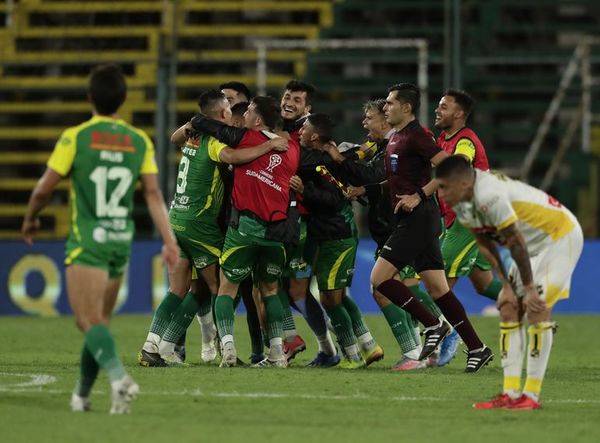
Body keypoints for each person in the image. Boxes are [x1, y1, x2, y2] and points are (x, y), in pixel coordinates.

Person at [21, 64, 180, 414]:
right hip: (120, 239)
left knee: (87, 321)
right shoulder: (139, 140)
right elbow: (153, 194)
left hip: (88, 241)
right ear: (122, 100)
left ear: (89, 97)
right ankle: (81, 395)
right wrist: (168, 241)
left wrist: (31, 218)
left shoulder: (76, 137)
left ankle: (119, 377)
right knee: (100, 323)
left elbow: (44, 187)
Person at [138, 90, 287, 366]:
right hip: (200, 225)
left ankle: (154, 345)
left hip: (177, 219)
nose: (233, 113)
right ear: (222, 115)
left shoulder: (192, 135)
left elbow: (174, 138)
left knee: (179, 288)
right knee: (220, 287)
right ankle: (224, 350)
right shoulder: (214, 141)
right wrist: (269, 146)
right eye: (229, 109)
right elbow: (233, 157)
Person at [436, 155, 583, 409]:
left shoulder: (489, 196)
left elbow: (515, 241)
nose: (440, 194)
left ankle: (531, 396)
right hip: (531, 246)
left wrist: (527, 288)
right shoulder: (463, 204)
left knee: (537, 308)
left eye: (443, 187)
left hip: (559, 237)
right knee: (507, 306)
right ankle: (510, 393)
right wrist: (505, 285)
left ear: (461, 184)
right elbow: (486, 245)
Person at [369, 83, 493, 373]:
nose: (385, 107)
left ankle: (433, 324)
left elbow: (451, 167)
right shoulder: (398, 137)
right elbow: (400, 180)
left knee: (380, 279)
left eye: (389, 103)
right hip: (416, 218)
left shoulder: (418, 136)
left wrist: (419, 195)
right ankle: (477, 347)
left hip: (419, 218)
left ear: (406, 108)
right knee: (439, 289)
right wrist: (364, 189)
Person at [327, 99, 438, 370]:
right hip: (393, 227)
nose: (364, 124)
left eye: (369, 118)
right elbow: (376, 178)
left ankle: (423, 346)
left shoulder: (397, 144)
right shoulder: (381, 145)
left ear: (386, 121)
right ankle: (429, 343)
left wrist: (339, 158)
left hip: (403, 226)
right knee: (405, 287)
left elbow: (376, 175)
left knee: (384, 288)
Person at [191, 96, 300, 368]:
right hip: (277, 235)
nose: (244, 114)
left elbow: (202, 123)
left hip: (244, 230)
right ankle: (277, 354)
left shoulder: (244, 138)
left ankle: (227, 348)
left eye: (249, 110)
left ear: (258, 120)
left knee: (226, 289)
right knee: (271, 290)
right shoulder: (293, 148)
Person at [292, 113, 383, 369]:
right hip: (327, 234)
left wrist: (303, 190)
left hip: (338, 234)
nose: (300, 131)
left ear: (315, 136)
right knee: (336, 296)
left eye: (305, 128)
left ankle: (352, 355)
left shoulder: (328, 163)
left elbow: (334, 199)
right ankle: (368, 345)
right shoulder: (322, 158)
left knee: (331, 298)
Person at [434, 88, 504, 366]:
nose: (438, 110)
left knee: (438, 285)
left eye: (444, 106)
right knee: (483, 284)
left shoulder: (466, 141)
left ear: (459, 113)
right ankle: (531, 309)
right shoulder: (443, 138)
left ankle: (450, 333)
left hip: (468, 219)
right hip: (455, 217)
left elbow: (461, 162)